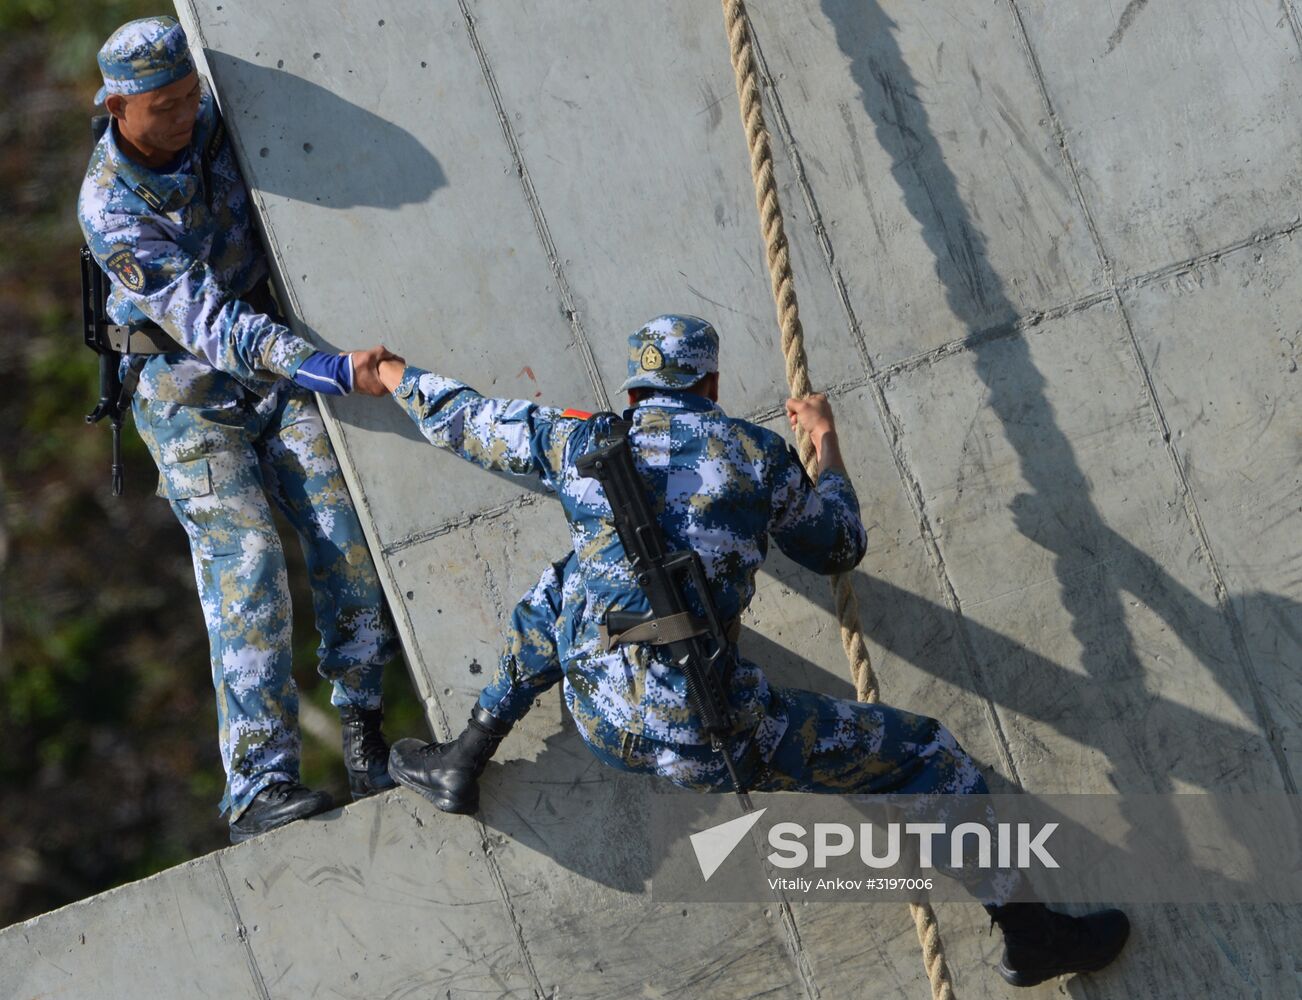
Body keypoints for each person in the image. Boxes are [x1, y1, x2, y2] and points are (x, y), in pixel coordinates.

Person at [379, 314, 1130, 987]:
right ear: (710, 381)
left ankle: (467, 752)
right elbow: (839, 546)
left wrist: (389, 374)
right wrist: (826, 446)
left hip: (598, 713)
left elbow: (467, 419)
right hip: (716, 737)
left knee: (570, 587)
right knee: (930, 756)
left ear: (636, 387)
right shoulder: (756, 456)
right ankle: (1031, 936)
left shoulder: (581, 441)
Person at [78, 16, 402, 843]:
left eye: (190, 97)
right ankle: (259, 788)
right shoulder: (108, 208)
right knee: (246, 561)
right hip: (187, 392)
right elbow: (208, 323)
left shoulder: (225, 117)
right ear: (118, 106)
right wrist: (326, 367)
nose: (186, 116)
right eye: (165, 106)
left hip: (275, 372)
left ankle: (365, 730)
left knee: (345, 533)